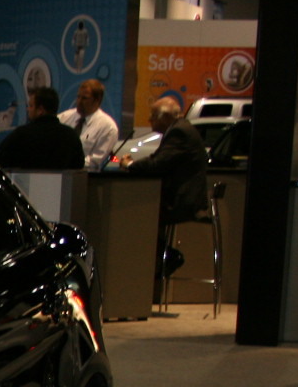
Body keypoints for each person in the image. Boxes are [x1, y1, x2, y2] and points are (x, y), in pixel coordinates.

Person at [120, 96, 210, 282]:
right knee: (141, 214)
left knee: (135, 215)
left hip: (181, 202)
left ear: (165, 117)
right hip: (180, 198)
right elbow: (158, 159)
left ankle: (162, 259)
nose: (149, 120)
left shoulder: (179, 132)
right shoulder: (179, 129)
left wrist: (129, 165)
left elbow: (157, 164)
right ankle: (159, 261)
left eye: (153, 116)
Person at [0, 86, 85, 170]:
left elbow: (0, 162)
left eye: (30, 106)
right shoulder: (71, 136)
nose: (27, 109)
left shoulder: (20, 135)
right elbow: (79, 167)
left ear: (40, 110)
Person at [60, 79, 121, 171]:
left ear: (97, 100)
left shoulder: (108, 127)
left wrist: (68, 164)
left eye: (84, 98)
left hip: (85, 178)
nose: (79, 102)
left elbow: (94, 161)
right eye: (78, 97)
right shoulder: (64, 117)